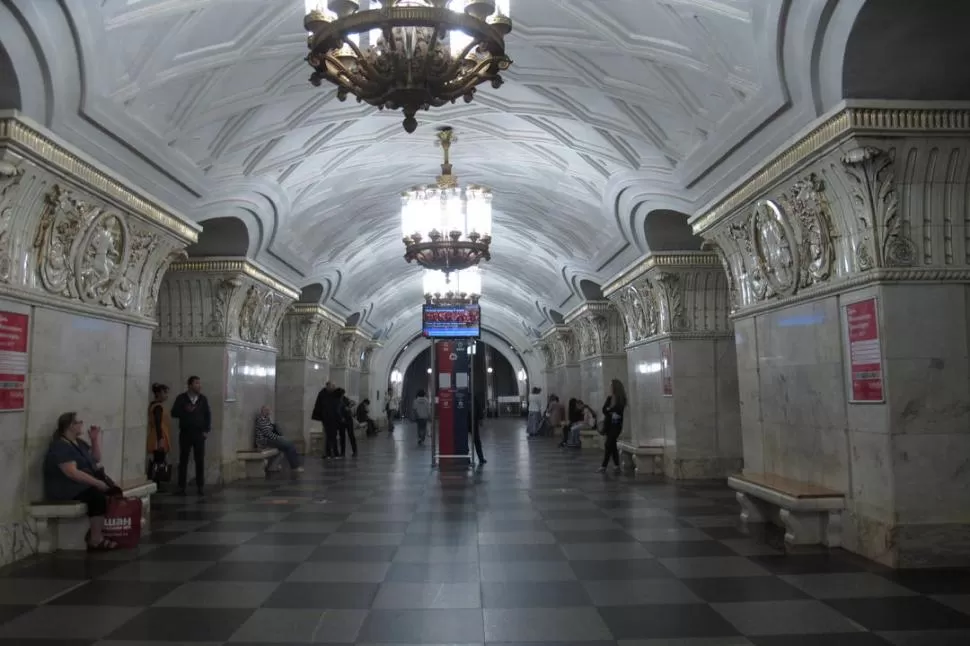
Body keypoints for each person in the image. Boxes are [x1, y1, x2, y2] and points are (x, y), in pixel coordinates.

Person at [44, 412, 122, 551]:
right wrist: (97, 483)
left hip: (80, 486)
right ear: (70, 426)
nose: (82, 424)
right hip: (66, 488)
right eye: (78, 422)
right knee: (96, 497)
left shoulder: (78, 443)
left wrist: (94, 439)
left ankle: (106, 531)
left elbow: (96, 459)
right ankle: (95, 539)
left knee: (113, 492)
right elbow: (72, 472)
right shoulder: (60, 446)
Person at [171, 376, 211, 496]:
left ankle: (200, 486)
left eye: (199, 383)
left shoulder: (203, 399)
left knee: (199, 460)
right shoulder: (181, 398)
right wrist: (185, 410)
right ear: (190, 385)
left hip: (199, 433)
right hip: (186, 432)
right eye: (196, 383)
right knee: (183, 460)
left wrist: (206, 430)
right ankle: (181, 486)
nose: (199, 385)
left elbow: (207, 415)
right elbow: (174, 413)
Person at [255, 406, 303, 473]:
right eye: (266, 410)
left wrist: (279, 436)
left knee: (288, 446)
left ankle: (273, 466)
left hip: (270, 439)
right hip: (264, 441)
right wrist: (279, 438)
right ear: (262, 411)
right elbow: (267, 434)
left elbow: (271, 430)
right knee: (289, 445)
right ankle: (295, 467)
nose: (268, 412)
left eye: (268, 410)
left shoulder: (266, 418)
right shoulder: (260, 419)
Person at [598, 379, 628, 474]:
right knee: (612, 445)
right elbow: (604, 409)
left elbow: (618, 410)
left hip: (616, 426)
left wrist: (609, 410)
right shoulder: (609, 398)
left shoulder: (621, 399)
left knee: (608, 444)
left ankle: (603, 466)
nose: (610, 388)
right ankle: (616, 465)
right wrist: (610, 410)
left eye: (611, 386)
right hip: (608, 425)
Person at [146, 383, 172, 483]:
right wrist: (160, 439)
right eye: (164, 392)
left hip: (156, 435)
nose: (166, 395)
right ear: (158, 393)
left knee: (157, 459)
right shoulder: (158, 407)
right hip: (159, 436)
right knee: (159, 460)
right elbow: (158, 423)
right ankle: (157, 481)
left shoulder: (153, 405)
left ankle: (155, 480)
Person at [311, 381, 341, 459]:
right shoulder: (322, 394)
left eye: (334, 386)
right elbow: (320, 406)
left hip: (333, 418)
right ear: (327, 386)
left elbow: (340, 394)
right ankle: (328, 453)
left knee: (333, 435)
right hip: (326, 418)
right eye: (332, 386)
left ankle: (335, 453)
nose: (333, 387)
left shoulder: (334, 393)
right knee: (328, 436)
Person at [338, 389, 358, 457]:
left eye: (343, 394)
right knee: (342, 436)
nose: (342, 395)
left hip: (348, 419)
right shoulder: (337, 400)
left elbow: (354, 403)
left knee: (351, 435)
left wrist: (349, 407)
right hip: (341, 420)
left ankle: (354, 450)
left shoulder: (345, 399)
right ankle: (342, 452)